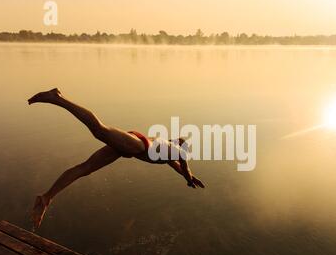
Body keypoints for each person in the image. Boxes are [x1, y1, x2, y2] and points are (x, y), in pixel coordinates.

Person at [27, 88, 205, 231]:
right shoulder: (178, 152)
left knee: (85, 168)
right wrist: (189, 179)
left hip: (133, 146)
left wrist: (187, 177)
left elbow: (178, 168)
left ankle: (46, 197)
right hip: (138, 145)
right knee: (99, 130)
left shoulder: (169, 152)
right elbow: (185, 168)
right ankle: (58, 98)